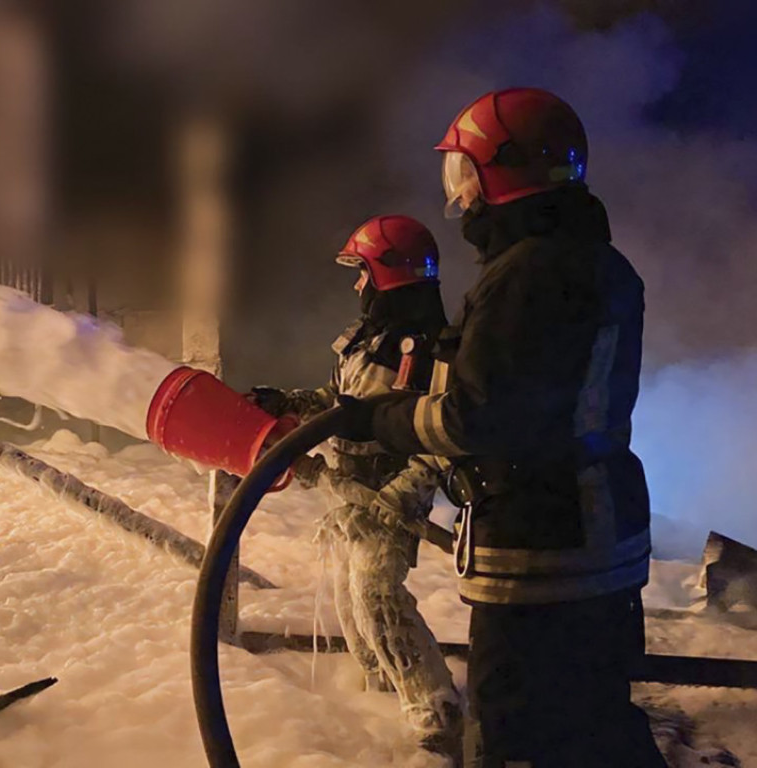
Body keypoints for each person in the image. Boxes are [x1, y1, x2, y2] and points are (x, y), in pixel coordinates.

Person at [337, 88, 667, 767]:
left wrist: (381, 420)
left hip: (543, 549)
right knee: (597, 724)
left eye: (467, 173)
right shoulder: (601, 264)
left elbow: (476, 417)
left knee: (518, 733)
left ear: (507, 170)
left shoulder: (525, 276)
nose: (461, 196)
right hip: (600, 538)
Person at [252, 214, 462, 758]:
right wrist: (291, 403)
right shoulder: (366, 339)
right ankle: (380, 692)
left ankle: (436, 709)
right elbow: (338, 401)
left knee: (377, 594)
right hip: (349, 493)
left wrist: (396, 498)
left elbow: (441, 441)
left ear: (388, 275)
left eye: (362, 272)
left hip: (391, 494)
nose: (356, 285)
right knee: (351, 603)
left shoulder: (433, 352)